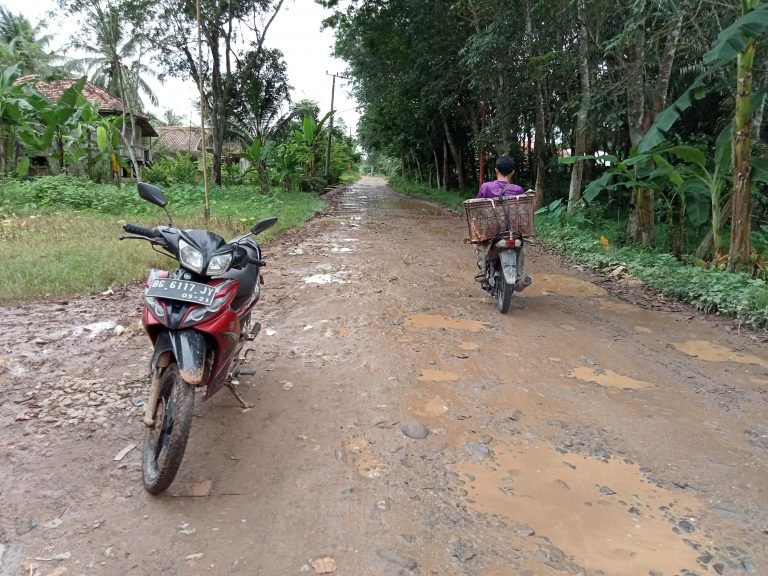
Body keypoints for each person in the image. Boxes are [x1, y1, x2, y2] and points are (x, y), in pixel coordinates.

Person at [474, 155, 524, 279]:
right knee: (522, 246)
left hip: (490, 230)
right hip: (512, 230)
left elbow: (477, 207)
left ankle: (482, 270)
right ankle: (518, 274)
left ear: (496, 170)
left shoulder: (486, 187)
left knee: (478, 241)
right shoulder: (518, 190)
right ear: (512, 172)